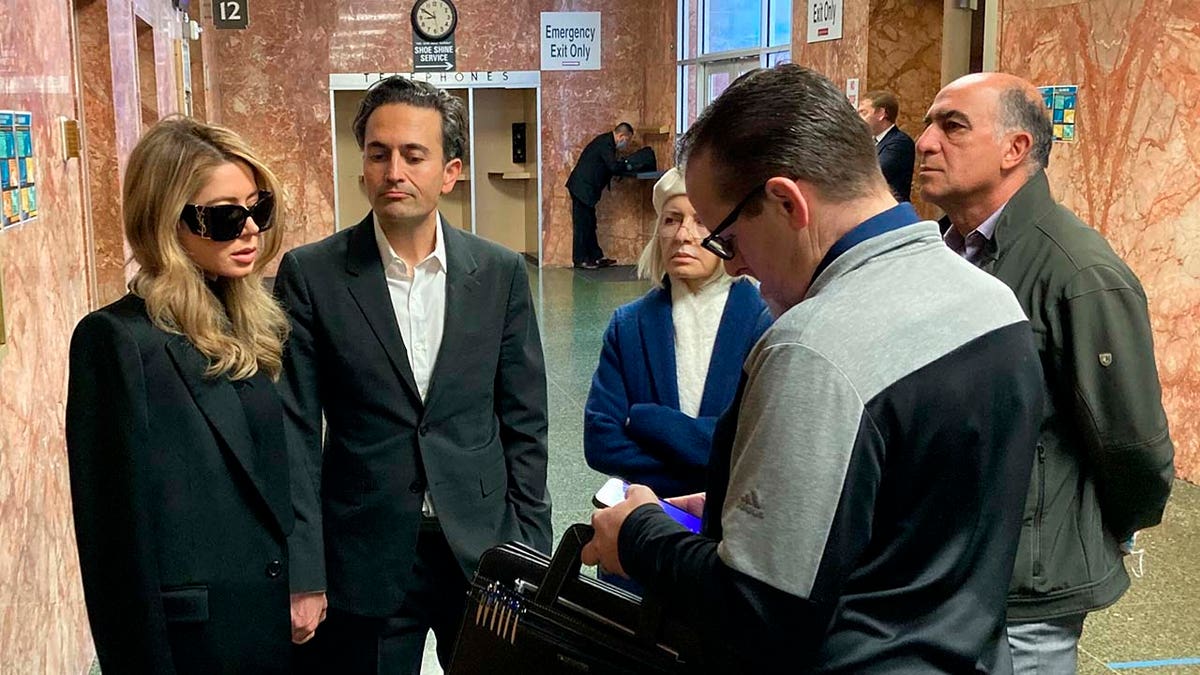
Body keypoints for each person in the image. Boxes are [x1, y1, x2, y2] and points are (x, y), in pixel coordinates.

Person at [581, 64, 1045, 673]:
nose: (737, 265)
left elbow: (757, 610)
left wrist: (639, 533)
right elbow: (902, 524)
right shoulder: (991, 301)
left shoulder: (811, 347)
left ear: (785, 201)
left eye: (726, 237)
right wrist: (732, 507)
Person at [276, 75, 552, 675]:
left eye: (413, 154)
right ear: (363, 167)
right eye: (378, 154)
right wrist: (305, 569)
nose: (393, 170)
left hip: (481, 549)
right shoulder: (312, 276)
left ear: (449, 172)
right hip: (365, 551)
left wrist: (532, 551)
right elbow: (295, 433)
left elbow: (526, 423)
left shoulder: (500, 274)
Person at [917, 72, 1176, 674]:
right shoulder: (938, 252)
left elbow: (1133, 447)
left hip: (1026, 593)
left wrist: (1077, 534)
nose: (926, 141)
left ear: (1016, 150)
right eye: (929, 123)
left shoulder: (1077, 272)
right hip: (940, 568)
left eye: (952, 126)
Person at [66, 117, 309, 673]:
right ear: (166, 221)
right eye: (224, 217)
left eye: (258, 208)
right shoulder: (117, 341)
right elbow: (114, 545)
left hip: (266, 623)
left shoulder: (249, 319)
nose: (250, 229)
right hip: (193, 643)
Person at [584, 167, 772, 498]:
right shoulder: (628, 326)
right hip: (654, 515)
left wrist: (648, 420)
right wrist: (703, 473)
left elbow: (763, 444)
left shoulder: (764, 323)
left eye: (700, 220)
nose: (683, 235)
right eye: (671, 219)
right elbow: (600, 441)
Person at [566, 122, 634, 269]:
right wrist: (627, 165)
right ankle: (580, 259)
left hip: (585, 189)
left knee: (590, 223)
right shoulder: (606, 144)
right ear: (621, 136)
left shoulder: (606, 142)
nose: (626, 144)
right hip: (582, 188)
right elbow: (613, 166)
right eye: (627, 140)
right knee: (582, 225)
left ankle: (595, 256)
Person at [857, 90, 915, 202]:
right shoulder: (870, 142)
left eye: (863, 113)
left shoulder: (899, 142)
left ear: (881, 114)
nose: (858, 119)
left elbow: (873, 173)